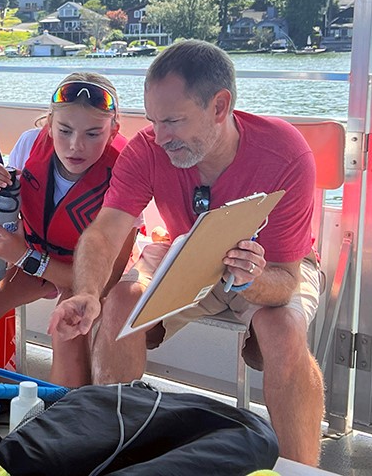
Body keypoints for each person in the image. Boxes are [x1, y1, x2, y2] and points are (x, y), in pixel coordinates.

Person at [50, 40, 325, 465]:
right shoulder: (147, 148)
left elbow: (287, 279)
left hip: (269, 265)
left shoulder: (285, 153)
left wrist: (250, 277)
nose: (159, 137)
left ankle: (299, 472)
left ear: (220, 106)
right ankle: (110, 454)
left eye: (174, 121)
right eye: (154, 120)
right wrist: (87, 291)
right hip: (184, 252)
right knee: (119, 302)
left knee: (282, 330)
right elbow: (105, 232)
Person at [0, 73, 138, 387]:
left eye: (94, 134)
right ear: (49, 124)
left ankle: (62, 424)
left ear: (114, 130)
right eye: (64, 130)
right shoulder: (28, 145)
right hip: (37, 256)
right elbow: (14, 221)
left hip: (92, 274)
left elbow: (105, 281)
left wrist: (25, 257)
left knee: (68, 325)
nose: (76, 145)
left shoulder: (126, 170)